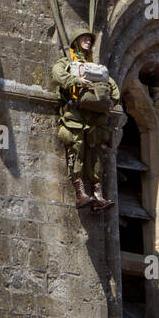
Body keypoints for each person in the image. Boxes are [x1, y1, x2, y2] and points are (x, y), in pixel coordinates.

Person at [52, 30, 120, 211]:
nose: (88, 42)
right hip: (75, 113)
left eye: (90, 40)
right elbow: (57, 74)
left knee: (95, 152)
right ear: (76, 42)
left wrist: (113, 99)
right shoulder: (66, 62)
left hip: (94, 116)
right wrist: (76, 80)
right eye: (84, 39)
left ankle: (98, 194)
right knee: (76, 148)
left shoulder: (95, 66)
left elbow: (111, 84)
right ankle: (80, 193)